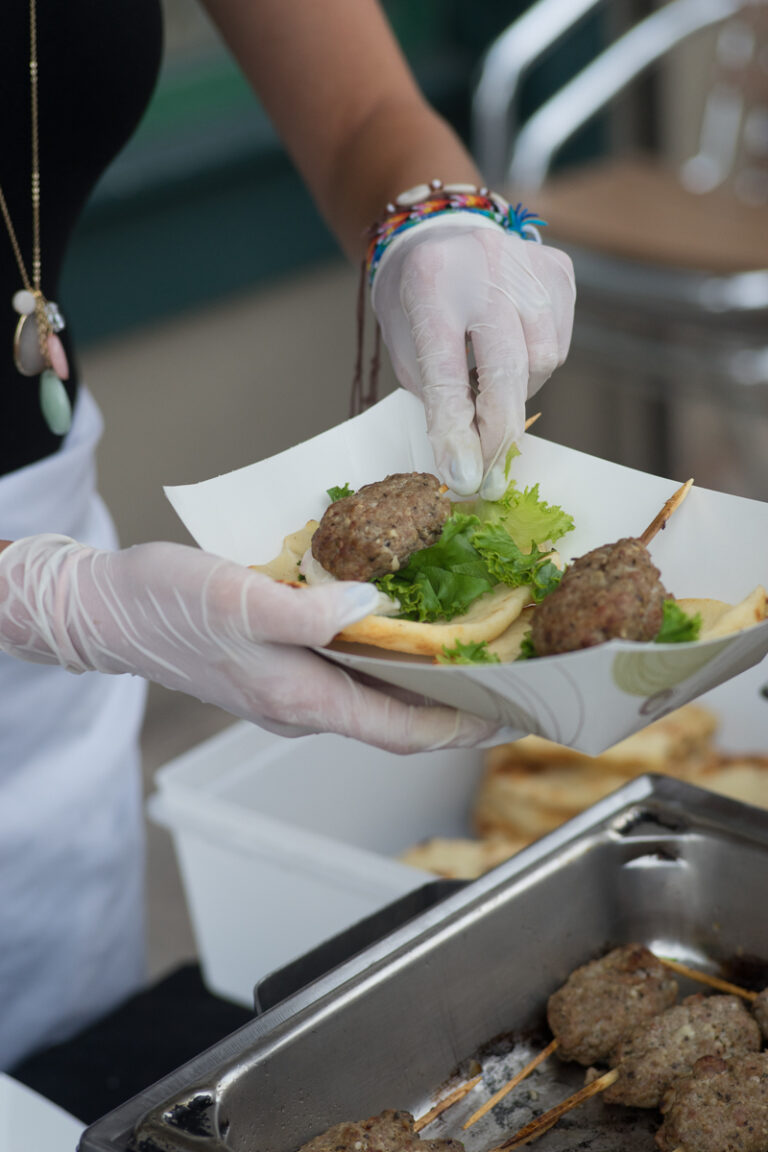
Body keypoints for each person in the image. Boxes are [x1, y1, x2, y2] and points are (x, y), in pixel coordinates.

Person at [0, 0, 575, 1070]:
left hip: (46, 656)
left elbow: (361, 110)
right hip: (38, 593)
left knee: (65, 1069)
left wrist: (435, 221)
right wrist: (29, 599)